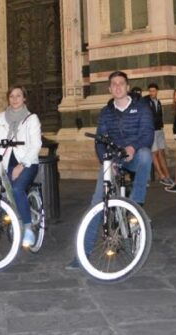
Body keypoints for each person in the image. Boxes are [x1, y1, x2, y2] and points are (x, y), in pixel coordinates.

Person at [67, 71, 154, 269]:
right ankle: (84, 253)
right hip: (113, 159)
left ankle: (136, 205)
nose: (117, 87)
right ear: (109, 89)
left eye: (121, 83)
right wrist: (107, 160)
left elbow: (147, 134)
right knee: (97, 201)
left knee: (145, 155)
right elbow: (100, 140)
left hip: (134, 155)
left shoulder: (142, 108)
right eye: (113, 84)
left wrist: (133, 147)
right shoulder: (106, 112)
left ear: (127, 86)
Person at [0, 85, 43, 260]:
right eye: (11, 96)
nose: (14, 99)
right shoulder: (1, 117)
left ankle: (28, 228)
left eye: (18, 96)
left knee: (18, 189)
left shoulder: (31, 119)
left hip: (26, 163)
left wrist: (22, 165)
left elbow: (36, 145)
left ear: (24, 98)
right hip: (4, 164)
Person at [143, 83, 173, 187]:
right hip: (151, 131)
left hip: (159, 130)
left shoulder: (158, 102)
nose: (152, 93)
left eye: (153, 91)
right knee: (154, 153)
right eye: (150, 91)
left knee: (162, 153)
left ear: (157, 91)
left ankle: (167, 175)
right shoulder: (146, 101)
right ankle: (162, 176)